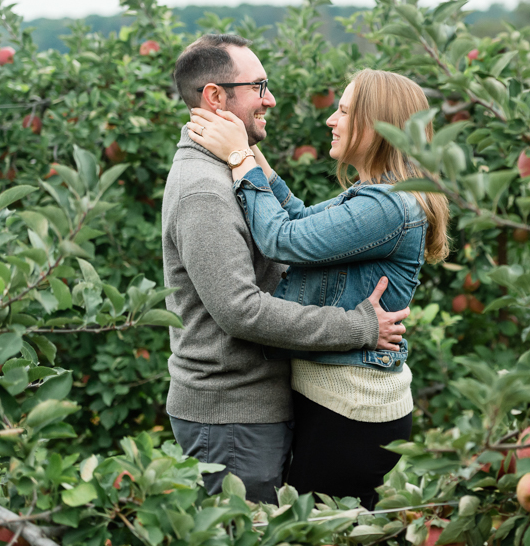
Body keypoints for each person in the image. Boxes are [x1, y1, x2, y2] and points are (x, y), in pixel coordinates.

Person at [186, 68, 450, 509]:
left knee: (317, 532)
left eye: (344, 110)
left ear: (376, 125)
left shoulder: (387, 205)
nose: (331, 119)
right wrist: (249, 150)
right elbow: (298, 218)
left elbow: (283, 240)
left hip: (351, 410)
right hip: (340, 402)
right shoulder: (377, 194)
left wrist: (238, 162)